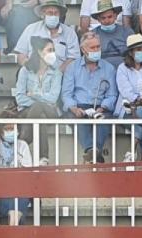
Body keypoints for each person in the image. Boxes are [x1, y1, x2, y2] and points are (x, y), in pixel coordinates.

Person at [62, 32, 118, 163]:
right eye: (92, 48)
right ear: (83, 49)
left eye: (98, 47)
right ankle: (93, 152)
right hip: (79, 106)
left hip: (100, 107)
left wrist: (103, 107)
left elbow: (112, 95)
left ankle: (92, 153)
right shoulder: (72, 67)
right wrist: (74, 108)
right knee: (79, 120)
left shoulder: (109, 68)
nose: (96, 50)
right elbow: (66, 93)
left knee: (103, 120)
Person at [14, 36, 63, 163]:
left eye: (53, 50)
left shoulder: (56, 73)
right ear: (40, 52)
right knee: (39, 116)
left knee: (39, 107)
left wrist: (35, 94)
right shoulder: (25, 70)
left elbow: (53, 98)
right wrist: (39, 101)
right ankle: (43, 158)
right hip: (26, 111)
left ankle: (22, 142)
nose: (53, 53)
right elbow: (20, 98)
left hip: (51, 112)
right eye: (49, 50)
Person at [0, 114, 34, 225]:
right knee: (16, 208)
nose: (10, 131)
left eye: (13, 128)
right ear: (0, 131)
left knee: (20, 201)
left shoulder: (22, 146)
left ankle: (13, 227)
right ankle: (16, 233)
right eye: (7, 129)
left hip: (19, 192)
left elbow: (27, 174)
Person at [14, 0, 81, 72]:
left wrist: (57, 74)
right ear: (43, 14)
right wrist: (32, 72)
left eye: (56, 13)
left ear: (60, 15)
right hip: (33, 75)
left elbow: (73, 59)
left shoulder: (69, 33)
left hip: (61, 76)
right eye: (50, 13)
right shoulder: (31, 29)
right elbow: (21, 55)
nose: (53, 15)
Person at [87, 0, 136, 67]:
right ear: (98, 19)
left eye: (110, 17)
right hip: (101, 69)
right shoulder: (92, 34)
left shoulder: (127, 32)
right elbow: (89, 58)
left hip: (126, 68)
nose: (107, 21)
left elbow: (135, 53)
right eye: (103, 18)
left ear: (115, 16)